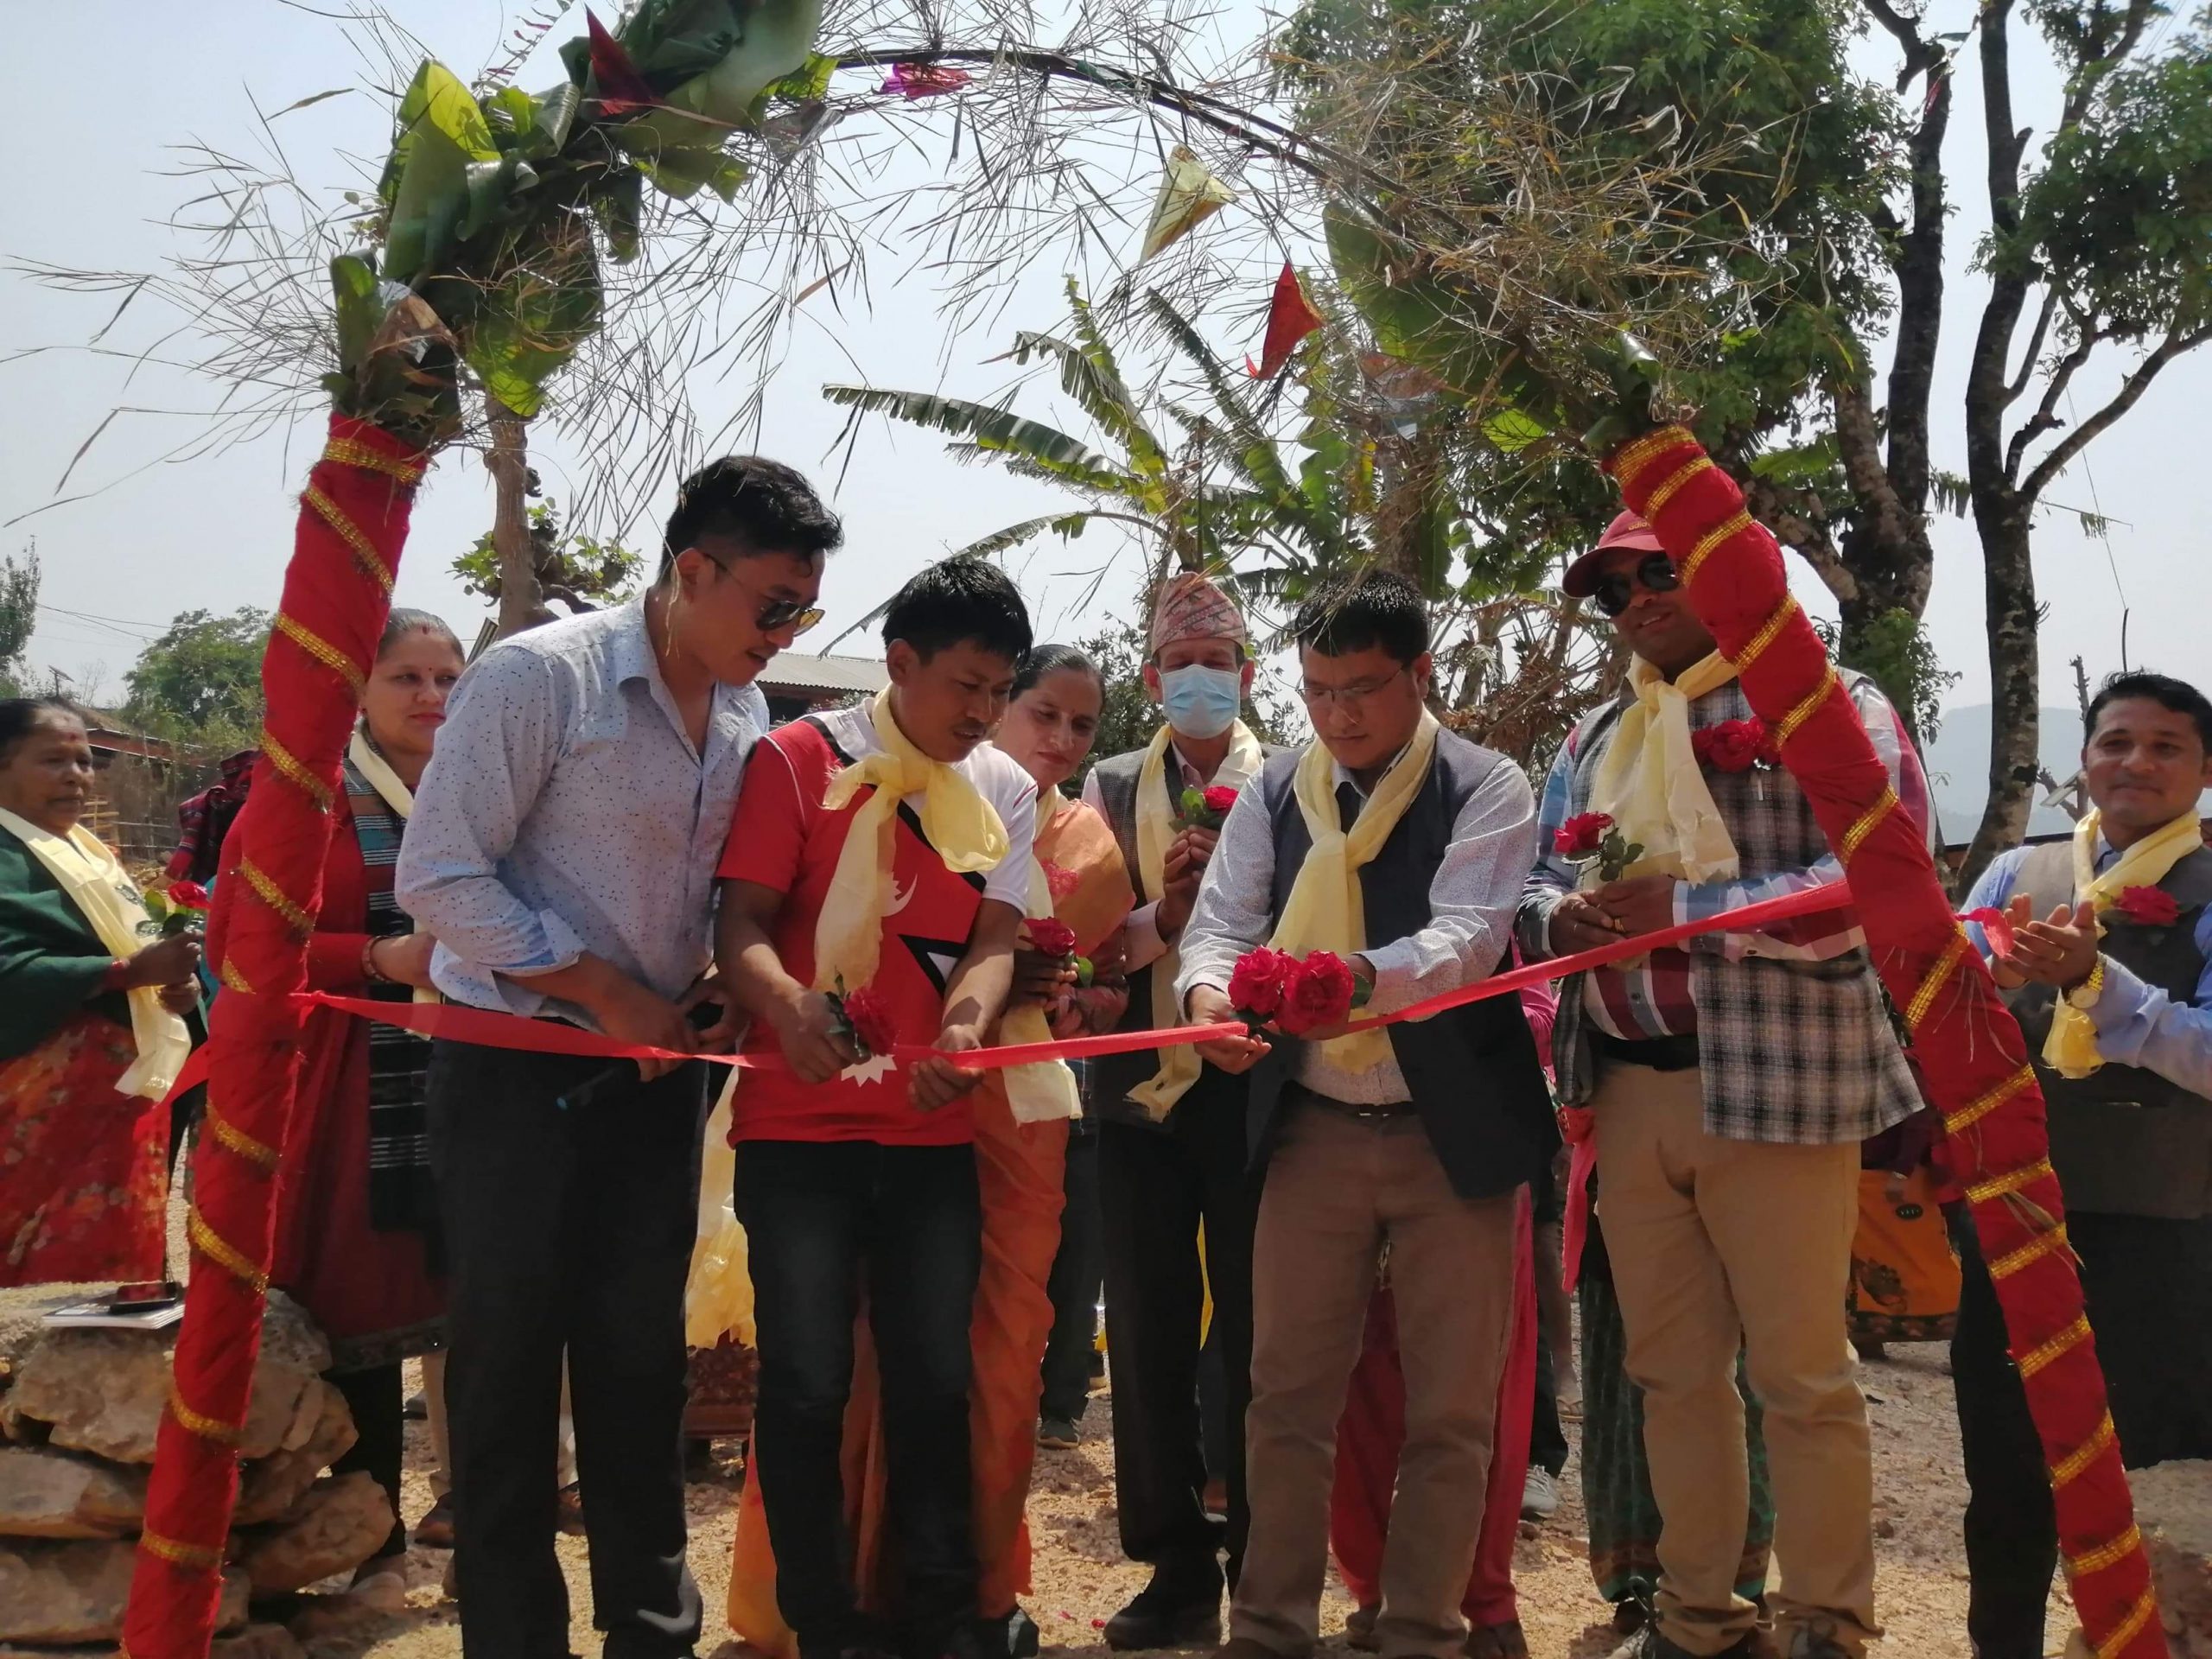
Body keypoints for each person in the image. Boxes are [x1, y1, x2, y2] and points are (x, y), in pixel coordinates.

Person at [397, 455, 843, 1658]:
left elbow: (716, 903)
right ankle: (513, 1637)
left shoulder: (751, 712)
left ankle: (652, 1632)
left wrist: (701, 991)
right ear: (692, 569)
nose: (786, 630)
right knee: (506, 1370)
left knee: (640, 1364)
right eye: (772, 604)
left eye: (804, 610)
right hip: (516, 1075)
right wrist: (599, 991)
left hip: (656, 1084)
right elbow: (436, 876)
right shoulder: (544, 678)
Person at [1517, 510, 1931, 1659]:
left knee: (1802, 1375)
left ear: (1729, 572)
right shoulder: (1597, 733)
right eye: (1613, 590)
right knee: (1670, 1376)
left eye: (1659, 572)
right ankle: (1701, 1622)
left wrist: (1686, 912)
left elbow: (1881, 873)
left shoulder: (1827, 700)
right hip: (1633, 1089)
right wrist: (1562, 912)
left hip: (1782, 1080)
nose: (1637, 601)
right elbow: (1535, 882)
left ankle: (1830, 1624)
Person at [1177, 569, 1555, 1659]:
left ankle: (1424, 1630)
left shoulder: (1488, 785)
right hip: (1314, 1129)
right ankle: (1268, 1629)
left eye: (1365, 689)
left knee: (1451, 1413)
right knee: (1285, 1398)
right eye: (1319, 689)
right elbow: (1220, 924)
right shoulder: (1273, 789)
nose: (1339, 714)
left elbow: (1465, 943)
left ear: (1421, 675)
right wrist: (1210, 998)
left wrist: (1334, 981)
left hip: (1456, 1141)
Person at [715, 557, 1039, 1659]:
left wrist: (966, 1028)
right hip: (795, 1135)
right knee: (806, 1385)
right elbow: (743, 923)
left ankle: (946, 1615)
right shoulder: (795, 761)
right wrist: (789, 1005)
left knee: (933, 1382)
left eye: (1000, 690)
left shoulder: (1003, 788)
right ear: (899, 664)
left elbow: (997, 939)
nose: (983, 714)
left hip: (931, 1134)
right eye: (965, 686)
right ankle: (823, 1622)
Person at [1955, 669, 2212, 1659]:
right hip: (2013, 1219)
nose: (2135, 762)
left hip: (2166, 1231)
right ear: (2084, 760)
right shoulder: (2013, 877)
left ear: (2201, 768)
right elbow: (1938, 1005)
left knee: (2155, 1479)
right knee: (2007, 1478)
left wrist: (2099, 987)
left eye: (2165, 746)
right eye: (2115, 742)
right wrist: (1986, 984)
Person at [207, 608, 461, 1609]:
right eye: (407, 677)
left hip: (480, 1090)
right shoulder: (302, 801)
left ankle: (476, 1524)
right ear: (357, 688)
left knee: (485, 1316)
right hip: (347, 1098)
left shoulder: (482, 793)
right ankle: (375, 1541)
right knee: (359, 1320)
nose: (433, 697)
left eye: (449, 677)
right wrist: (374, 959)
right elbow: (240, 952)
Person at [1080, 573, 1272, 1650]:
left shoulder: (1288, 784)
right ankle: (1173, 1573)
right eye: (1183, 668)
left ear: (1246, 675)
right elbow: (1088, 953)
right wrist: (1167, 912)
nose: (1202, 684)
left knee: (1257, 1339)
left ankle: (1264, 1559)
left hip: (1250, 1092)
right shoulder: (1108, 790)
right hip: (1134, 1099)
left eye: (1221, 665)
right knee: (1146, 1338)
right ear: (1152, 679)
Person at [1326, 976, 1561, 1659]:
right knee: (1355, 1385)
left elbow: (1537, 1007)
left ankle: (1483, 1597)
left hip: (1476, 1144)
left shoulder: (1494, 867)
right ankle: (1375, 1591)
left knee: (1480, 1390)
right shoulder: (1314, 867)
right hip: (1337, 1128)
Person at [0, 698, 198, 1286]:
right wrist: (124, 974)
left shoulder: (90, 855)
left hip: (120, 1109)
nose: (76, 777)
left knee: (117, 1273)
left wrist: (174, 988)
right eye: (53, 761)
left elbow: (133, 949)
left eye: (86, 762)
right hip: (34, 1121)